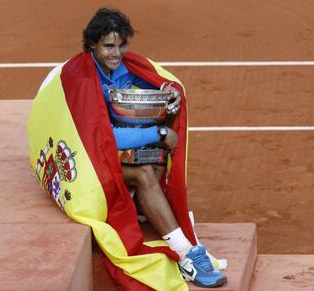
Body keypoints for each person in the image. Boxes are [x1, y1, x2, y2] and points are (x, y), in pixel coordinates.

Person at [82, 8, 227, 288]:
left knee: (158, 156)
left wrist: (166, 89)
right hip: (89, 158)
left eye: (122, 44)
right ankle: (186, 256)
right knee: (146, 172)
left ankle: (141, 204)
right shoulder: (86, 80)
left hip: (105, 154)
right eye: (109, 46)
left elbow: (146, 79)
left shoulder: (120, 67)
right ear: (92, 44)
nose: (117, 52)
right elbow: (105, 138)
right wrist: (158, 131)